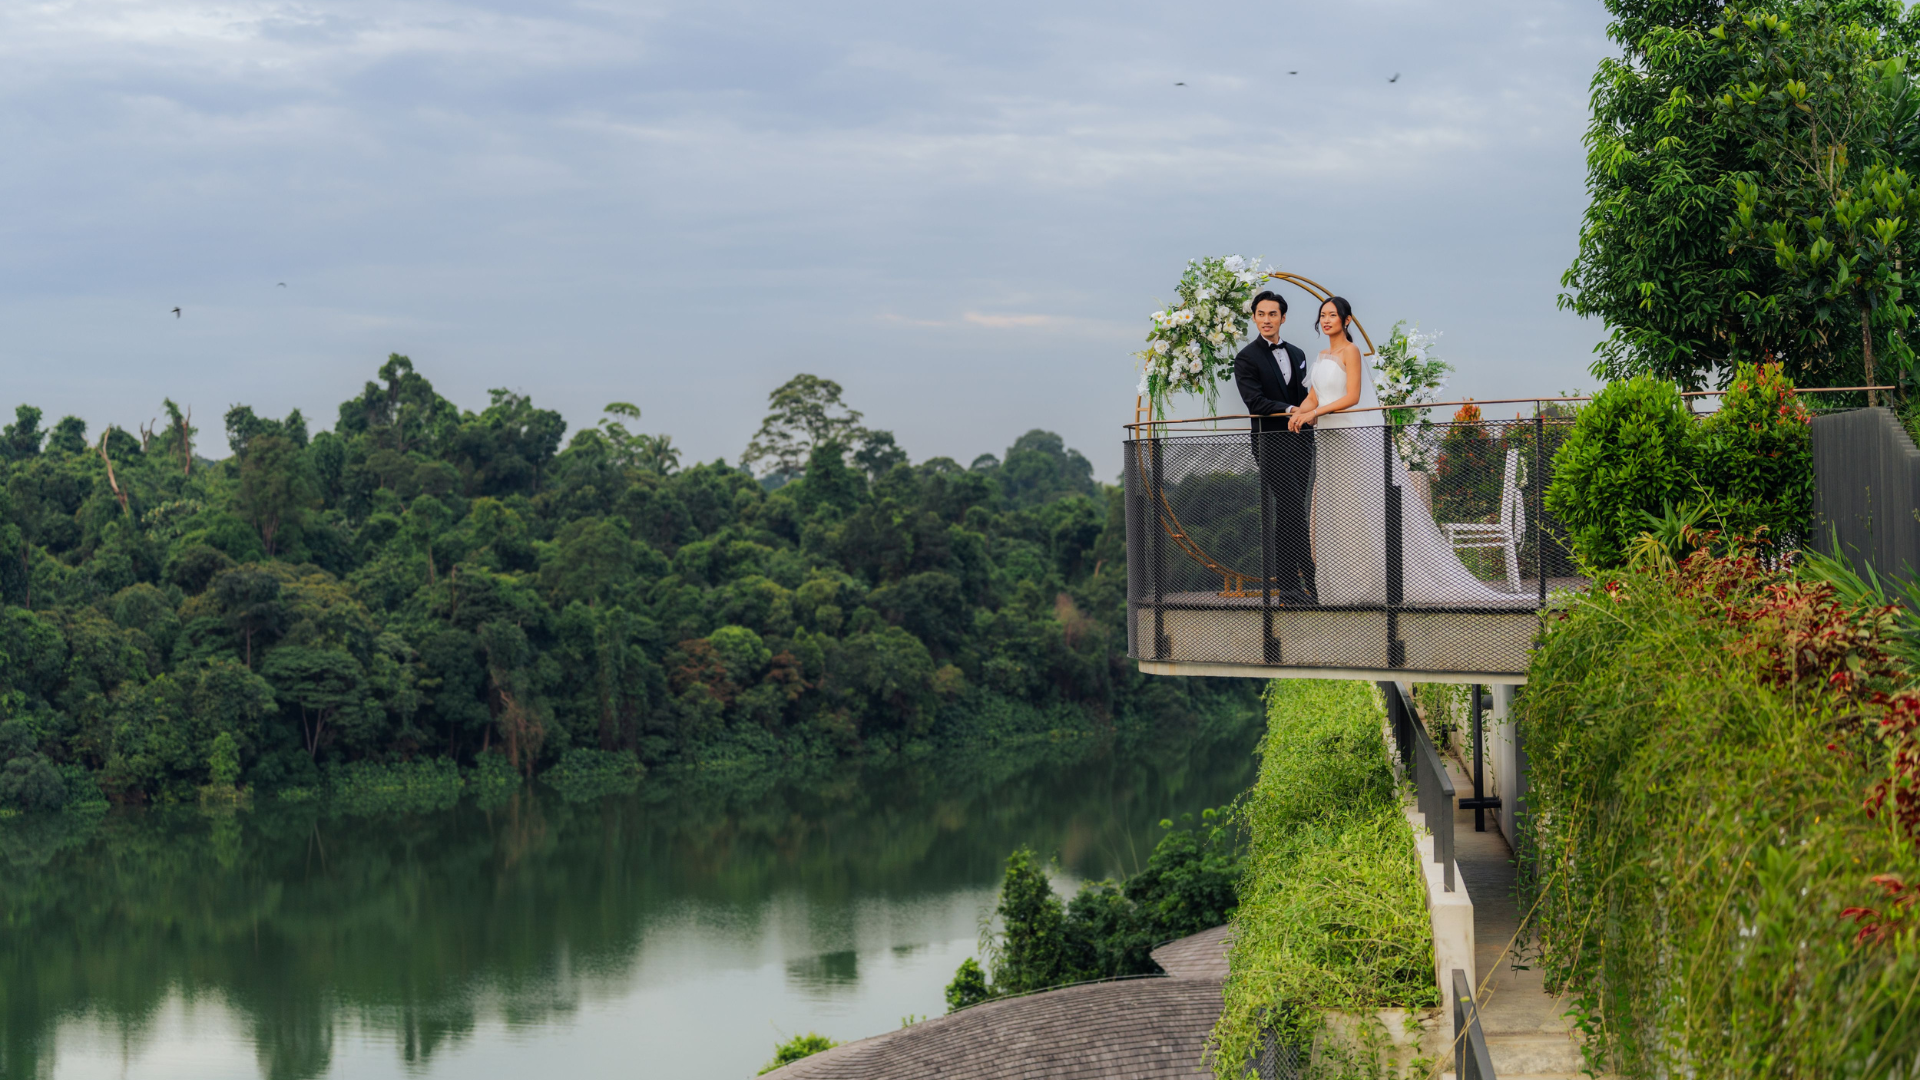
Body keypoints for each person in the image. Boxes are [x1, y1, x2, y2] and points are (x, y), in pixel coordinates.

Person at [1288, 296, 1525, 606]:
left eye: (1333, 315)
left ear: (1347, 320)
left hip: (1352, 439)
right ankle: (1349, 587)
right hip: (1329, 442)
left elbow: (1353, 397)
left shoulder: (1351, 351)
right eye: (1323, 315)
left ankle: (1379, 582)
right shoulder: (1320, 356)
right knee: (1340, 511)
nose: (1327, 320)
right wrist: (1299, 412)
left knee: (1364, 508)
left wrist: (1314, 414)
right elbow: (1314, 397)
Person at [1234, 289, 1315, 602]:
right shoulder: (1246, 358)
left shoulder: (1297, 354)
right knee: (1294, 508)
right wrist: (1294, 411)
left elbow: (1308, 396)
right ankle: (1304, 583)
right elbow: (1255, 401)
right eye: (1260, 314)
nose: (1266, 320)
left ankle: (1291, 589)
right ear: (1254, 317)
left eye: (1272, 314)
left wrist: (1311, 413)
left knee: (1290, 511)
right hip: (1269, 444)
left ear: (1283, 318)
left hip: (1301, 442)